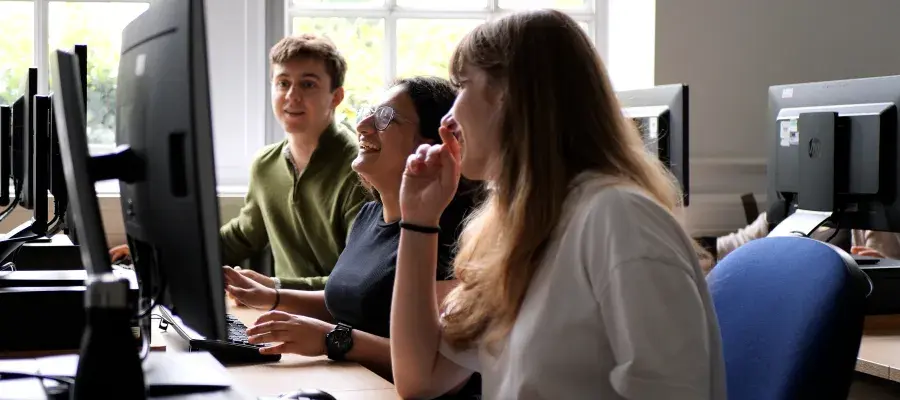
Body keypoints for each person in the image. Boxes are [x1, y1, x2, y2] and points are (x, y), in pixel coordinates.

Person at [390, 10, 727, 400]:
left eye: (463, 85)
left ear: (511, 97)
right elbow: (420, 378)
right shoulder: (512, 228)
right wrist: (418, 222)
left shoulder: (619, 219)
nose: (448, 117)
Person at [221, 77, 482, 393]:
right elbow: (356, 301)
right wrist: (275, 297)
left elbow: (433, 367)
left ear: (433, 145)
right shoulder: (368, 216)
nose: (363, 125)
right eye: (368, 112)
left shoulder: (453, 238)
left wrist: (331, 338)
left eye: (385, 118)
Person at [110, 34, 369, 290]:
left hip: (337, 321)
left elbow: (354, 283)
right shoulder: (265, 165)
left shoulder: (361, 170)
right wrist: (161, 256)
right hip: (283, 313)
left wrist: (274, 287)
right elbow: (243, 236)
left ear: (336, 97)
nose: (292, 95)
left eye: (308, 84)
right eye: (282, 83)